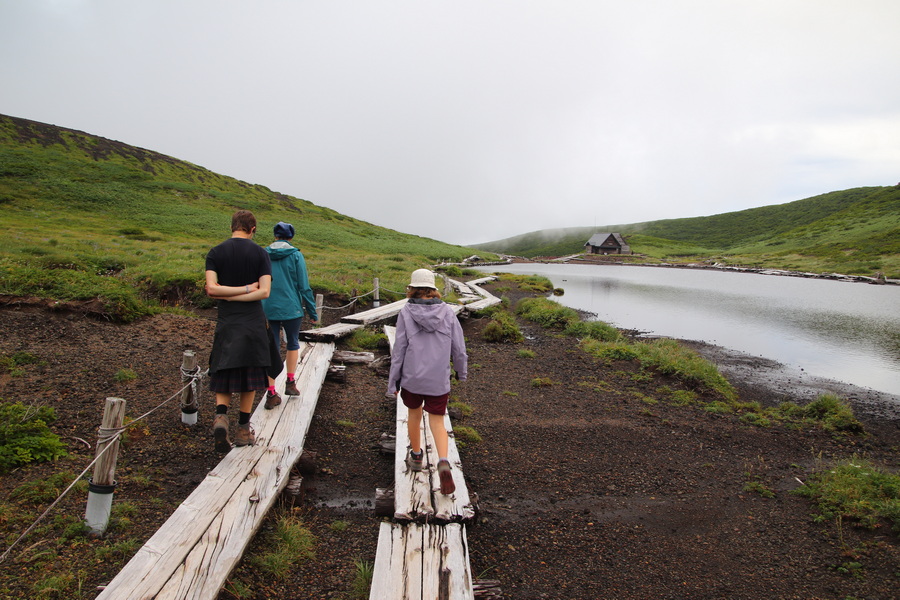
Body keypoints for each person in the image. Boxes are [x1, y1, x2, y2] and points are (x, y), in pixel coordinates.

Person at [386, 268, 468, 495]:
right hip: (438, 379)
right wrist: (461, 373)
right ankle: (443, 461)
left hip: (412, 379)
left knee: (414, 414)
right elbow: (459, 348)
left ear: (412, 288)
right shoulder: (448, 313)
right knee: (438, 421)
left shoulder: (405, 312)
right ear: (433, 289)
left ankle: (416, 457)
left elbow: (399, 350)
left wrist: (393, 382)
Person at [205, 210, 274, 452]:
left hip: (227, 320)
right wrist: (246, 290)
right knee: (250, 375)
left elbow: (212, 289)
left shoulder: (215, 252)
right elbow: (264, 292)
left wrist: (230, 293)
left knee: (224, 368)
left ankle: (221, 416)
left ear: (232, 226)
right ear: (252, 229)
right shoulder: (260, 253)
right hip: (252, 320)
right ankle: (243, 430)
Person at [261, 221, 319, 407]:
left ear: (275, 235)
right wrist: (312, 311)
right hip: (292, 308)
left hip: (267, 307)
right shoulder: (295, 255)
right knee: (293, 342)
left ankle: (271, 392)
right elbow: (304, 286)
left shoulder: (263, 254)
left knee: (272, 347)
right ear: (291, 237)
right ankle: (290, 382)